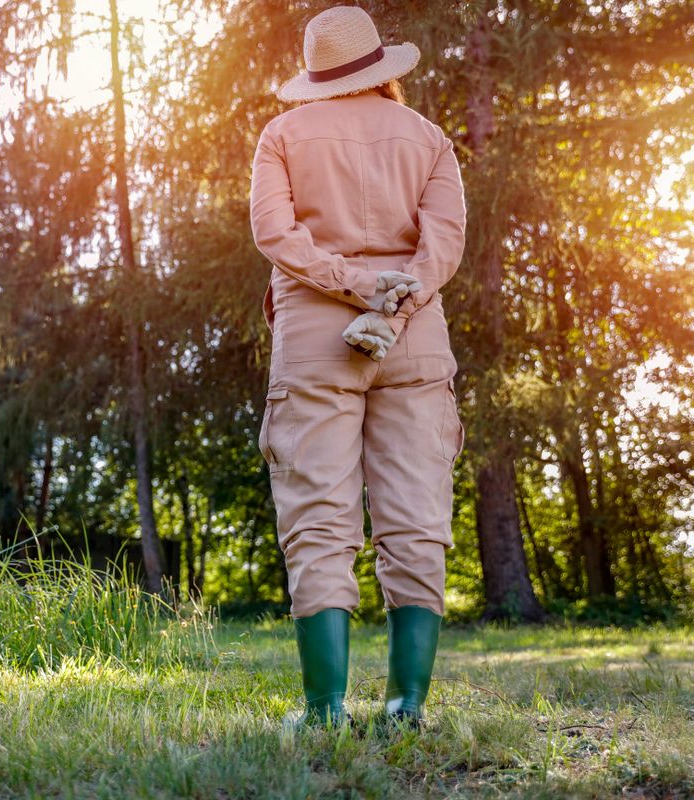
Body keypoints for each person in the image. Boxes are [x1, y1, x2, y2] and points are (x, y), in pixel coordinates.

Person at [249, 5, 466, 729]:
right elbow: (441, 251)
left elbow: (274, 233)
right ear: (381, 67)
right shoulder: (428, 139)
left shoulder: (281, 135)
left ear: (315, 75)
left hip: (314, 340)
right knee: (416, 516)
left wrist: (352, 285)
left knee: (318, 517)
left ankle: (326, 711)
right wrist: (394, 304)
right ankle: (407, 705)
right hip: (416, 340)